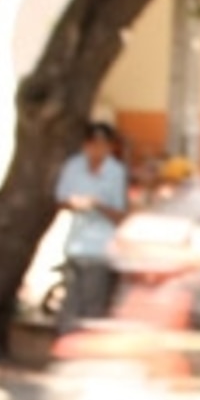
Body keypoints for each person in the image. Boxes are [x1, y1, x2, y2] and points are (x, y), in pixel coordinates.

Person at [53, 120, 131, 323]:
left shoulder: (116, 172)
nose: (97, 149)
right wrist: (75, 203)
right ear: (85, 145)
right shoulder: (74, 166)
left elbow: (120, 214)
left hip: (100, 249)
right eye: (93, 144)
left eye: (103, 145)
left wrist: (98, 205)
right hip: (75, 245)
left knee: (93, 306)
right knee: (70, 304)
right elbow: (60, 200)